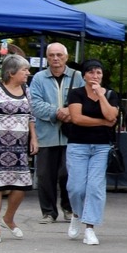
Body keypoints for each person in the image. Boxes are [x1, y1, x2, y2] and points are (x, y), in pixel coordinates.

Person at [0, 55, 38, 240]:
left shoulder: (26, 90)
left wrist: (34, 138)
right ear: (11, 73)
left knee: (21, 186)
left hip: (19, 147)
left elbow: (31, 116)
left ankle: (8, 218)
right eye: (24, 70)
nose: (28, 73)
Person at [57, 59, 118, 245]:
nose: (95, 76)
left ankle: (90, 227)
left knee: (95, 187)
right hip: (78, 145)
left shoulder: (110, 94)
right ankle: (76, 213)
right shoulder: (76, 94)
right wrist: (101, 123)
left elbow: (111, 116)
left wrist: (101, 96)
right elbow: (76, 118)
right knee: (75, 187)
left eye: (98, 73)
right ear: (84, 75)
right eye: (91, 72)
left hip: (101, 147)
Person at [23, 44, 81, 223]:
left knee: (68, 173)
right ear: (47, 58)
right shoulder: (39, 78)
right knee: (45, 176)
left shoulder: (77, 77)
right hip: (46, 135)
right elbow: (35, 104)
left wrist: (70, 112)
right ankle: (48, 212)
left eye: (59, 55)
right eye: (51, 55)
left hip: (71, 135)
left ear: (66, 56)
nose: (55, 58)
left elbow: (84, 99)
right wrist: (57, 112)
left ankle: (69, 208)